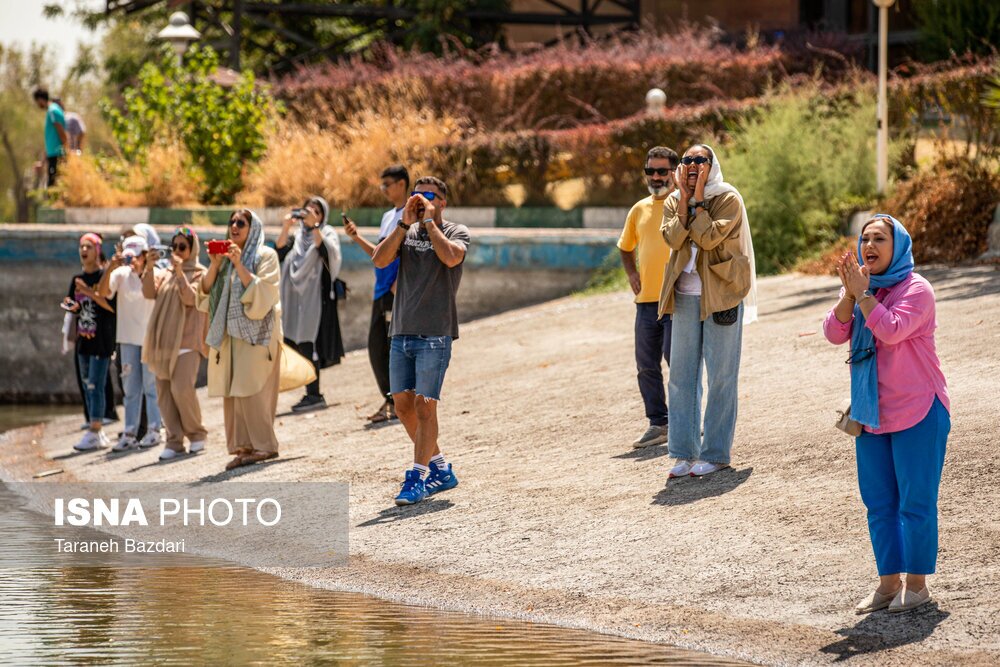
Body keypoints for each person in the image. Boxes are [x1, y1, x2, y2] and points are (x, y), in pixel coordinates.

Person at [824, 215, 950, 614]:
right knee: (879, 504)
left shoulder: (917, 289)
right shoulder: (864, 287)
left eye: (879, 238)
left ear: (898, 247)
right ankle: (887, 584)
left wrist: (863, 295)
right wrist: (851, 294)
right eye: (864, 239)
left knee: (916, 502)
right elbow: (833, 332)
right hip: (872, 414)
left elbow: (891, 330)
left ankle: (917, 586)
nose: (869, 245)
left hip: (919, 410)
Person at [659, 144, 758, 479]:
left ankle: (715, 453)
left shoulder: (728, 198)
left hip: (722, 293)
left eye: (700, 160)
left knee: (721, 376)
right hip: (684, 296)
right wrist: (684, 202)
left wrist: (699, 199)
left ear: (712, 165)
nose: (692, 165)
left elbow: (709, 238)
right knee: (681, 377)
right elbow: (673, 240)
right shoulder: (673, 201)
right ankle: (684, 453)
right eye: (687, 160)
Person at [372, 176, 469, 506]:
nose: (422, 199)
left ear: (442, 202)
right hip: (401, 331)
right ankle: (440, 468)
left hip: (435, 333)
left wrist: (428, 222)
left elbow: (452, 257)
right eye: (417, 194)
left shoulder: (456, 231)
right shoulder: (405, 232)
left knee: (425, 406)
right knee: (402, 406)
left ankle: (417, 477)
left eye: (430, 195)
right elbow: (379, 260)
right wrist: (403, 223)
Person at [197, 209, 283, 471]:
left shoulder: (265, 256)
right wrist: (215, 264)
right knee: (233, 392)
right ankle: (244, 447)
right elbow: (204, 294)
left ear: (252, 227)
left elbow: (265, 293)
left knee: (253, 390)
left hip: (258, 336)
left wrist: (238, 265)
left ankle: (265, 445)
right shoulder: (223, 260)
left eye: (241, 222)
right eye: (231, 221)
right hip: (230, 337)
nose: (234, 226)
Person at [618, 146, 678, 448]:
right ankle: (658, 424)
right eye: (650, 171)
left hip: (677, 300)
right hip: (645, 303)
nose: (655, 177)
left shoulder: (684, 205)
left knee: (677, 362)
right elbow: (625, 246)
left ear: (674, 172)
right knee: (646, 366)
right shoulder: (638, 209)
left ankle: (686, 421)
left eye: (662, 171)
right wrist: (631, 273)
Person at [344, 164, 409, 423]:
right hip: (380, 291)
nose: (383, 190)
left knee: (392, 348)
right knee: (376, 346)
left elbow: (412, 254)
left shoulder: (411, 214)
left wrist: (398, 285)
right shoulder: (387, 217)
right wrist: (356, 237)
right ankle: (391, 399)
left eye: (387, 185)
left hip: (395, 292)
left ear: (402, 183)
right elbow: (379, 254)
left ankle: (397, 402)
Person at [142, 226, 209, 461]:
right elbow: (148, 293)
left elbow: (191, 299)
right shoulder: (164, 273)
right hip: (163, 342)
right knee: (164, 394)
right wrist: (149, 267)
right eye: (174, 247)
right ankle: (174, 440)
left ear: (192, 249)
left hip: (188, 341)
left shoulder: (201, 273)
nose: (178, 251)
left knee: (182, 389)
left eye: (183, 247)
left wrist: (180, 273)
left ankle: (197, 434)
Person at [276, 196, 345, 413]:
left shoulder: (327, 232)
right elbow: (279, 252)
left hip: (316, 301)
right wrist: (286, 226)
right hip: (294, 300)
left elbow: (328, 254)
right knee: (296, 343)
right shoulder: (297, 237)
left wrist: (315, 226)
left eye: (317, 211)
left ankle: (314, 394)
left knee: (309, 345)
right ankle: (310, 393)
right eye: (308, 209)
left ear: (323, 216)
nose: (311, 213)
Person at [98, 234, 164, 452]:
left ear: (144, 255)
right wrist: (111, 267)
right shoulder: (120, 273)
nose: (132, 260)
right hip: (127, 339)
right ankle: (130, 433)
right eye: (129, 256)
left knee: (151, 386)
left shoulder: (155, 272)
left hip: (149, 339)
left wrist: (147, 268)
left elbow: (151, 293)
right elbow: (103, 293)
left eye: (136, 256)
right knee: (130, 389)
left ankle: (155, 429)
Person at [65, 233, 117, 451]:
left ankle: (95, 430)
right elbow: (71, 306)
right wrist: (71, 304)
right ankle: (97, 429)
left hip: (101, 340)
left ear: (97, 250)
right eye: (81, 247)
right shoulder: (77, 279)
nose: (84, 250)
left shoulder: (104, 276)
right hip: (83, 340)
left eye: (89, 246)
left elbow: (110, 306)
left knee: (96, 385)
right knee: (87, 385)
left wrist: (88, 292)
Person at [32, 88, 66, 187]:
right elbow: (51, 141)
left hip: (57, 155)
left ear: (40, 99)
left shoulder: (52, 111)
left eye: (37, 102)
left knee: (53, 187)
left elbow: (61, 132)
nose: (38, 105)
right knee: (52, 186)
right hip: (53, 156)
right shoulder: (52, 111)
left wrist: (67, 151)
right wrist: (42, 162)